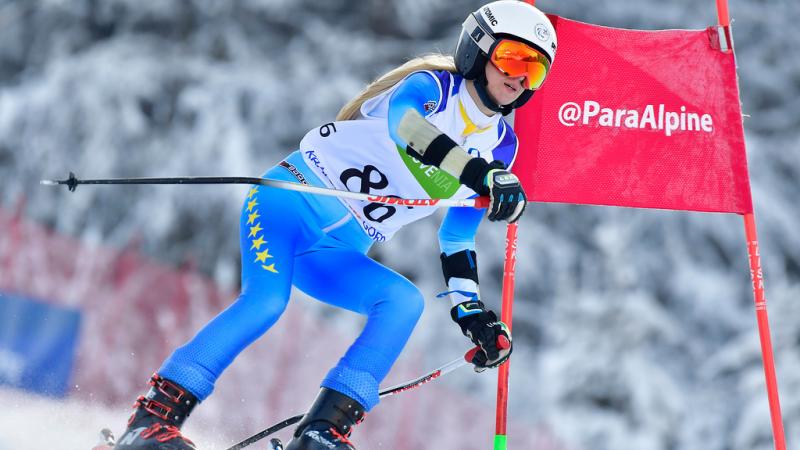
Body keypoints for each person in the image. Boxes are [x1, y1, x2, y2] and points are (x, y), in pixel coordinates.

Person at [115, 1, 557, 449]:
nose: (520, 76)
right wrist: (477, 173)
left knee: (403, 302)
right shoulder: (431, 90)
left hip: (338, 250)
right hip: (288, 202)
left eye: (535, 70)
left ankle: (322, 433)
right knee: (267, 302)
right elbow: (408, 130)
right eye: (512, 58)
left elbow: (457, 236)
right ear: (478, 50)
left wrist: (472, 314)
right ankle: (151, 419)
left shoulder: (501, 149)